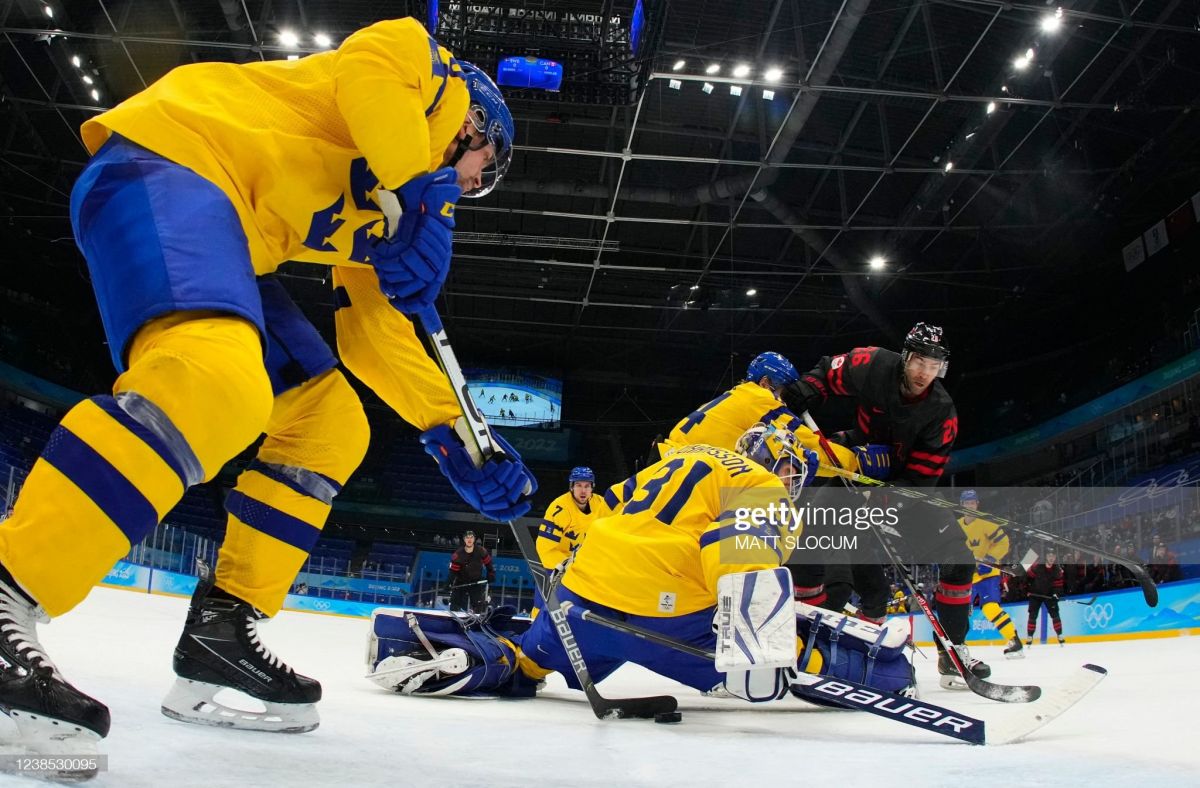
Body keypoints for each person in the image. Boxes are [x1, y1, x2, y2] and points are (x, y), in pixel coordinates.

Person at [0, 17, 536, 757]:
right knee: (218, 381)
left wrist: (459, 437)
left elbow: (377, 335)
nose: (474, 186)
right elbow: (369, 69)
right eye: (483, 168)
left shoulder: (389, 206)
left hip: (228, 234)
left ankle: (222, 632)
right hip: (171, 160)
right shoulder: (417, 68)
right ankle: (13, 585)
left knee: (331, 422)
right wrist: (421, 191)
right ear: (474, 124)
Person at [366, 426, 915, 703]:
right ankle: (889, 674)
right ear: (778, 463)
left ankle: (461, 655)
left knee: (527, 665)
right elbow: (734, 544)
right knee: (784, 646)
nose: (795, 483)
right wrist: (752, 635)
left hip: (579, 600)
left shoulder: (684, 458)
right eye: (795, 472)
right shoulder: (762, 482)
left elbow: (605, 508)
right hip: (665, 617)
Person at [783, 323, 989, 689]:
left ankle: (953, 651)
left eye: (935, 365)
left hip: (900, 487)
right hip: (853, 460)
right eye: (920, 362)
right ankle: (810, 649)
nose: (926, 372)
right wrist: (806, 390)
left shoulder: (942, 414)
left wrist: (881, 494)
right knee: (817, 545)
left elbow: (922, 479)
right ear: (907, 356)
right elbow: (831, 371)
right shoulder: (874, 363)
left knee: (959, 560)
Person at [957, 490, 1023, 659]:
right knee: (960, 611)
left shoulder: (986, 521)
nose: (970, 506)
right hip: (968, 577)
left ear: (977, 504)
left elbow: (1003, 542)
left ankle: (1014, 641)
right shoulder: (957, 525)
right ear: (962, 505)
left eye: (973, 502)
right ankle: (957, 646)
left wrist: (990, 559)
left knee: (990, 608)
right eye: (967, 503)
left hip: (988, 574)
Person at [535, 466, 610, 570]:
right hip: (558, 564)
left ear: (592, 488)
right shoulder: (560, 508)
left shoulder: (601, 504)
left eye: (587, 486)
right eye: (579, 485)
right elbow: (544, 547)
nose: (583, 491)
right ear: (572, 487)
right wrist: (564, 565)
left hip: (587, 564)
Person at [1025, 550, 1066, 646]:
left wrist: (1056, 594)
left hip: (1049, 595)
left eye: (1053, 556)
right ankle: (1030, 636)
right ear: (1046, 557)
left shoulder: (1057, 570)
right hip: (1035, 594)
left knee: (1055, 614)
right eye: (1049, 555)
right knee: (1032, 615)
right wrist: (1027, 590)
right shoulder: (1037, 567)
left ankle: (1060, 635)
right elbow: (1028, 578)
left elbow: (1058, 585)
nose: (1051, 558)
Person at [449, 531, 495, 613]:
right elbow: (453, 571)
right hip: (460, 582)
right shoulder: (458, 554)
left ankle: (478, 619)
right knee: (454, 604)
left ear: (474, 539)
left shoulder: (481, 551)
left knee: (479, 605)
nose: (469, 539)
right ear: (464, 539)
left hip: (476, 582)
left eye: (471, 537)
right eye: (467, 537)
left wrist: (491, 574)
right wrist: (448, 583)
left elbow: (489, 564)